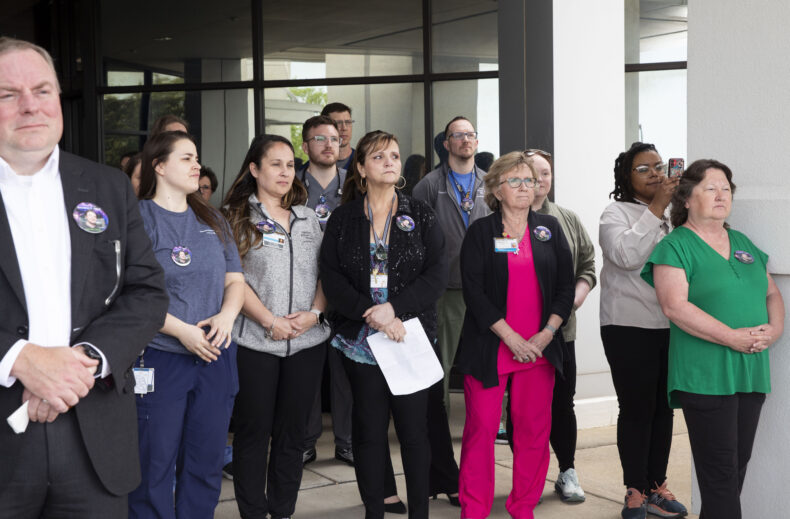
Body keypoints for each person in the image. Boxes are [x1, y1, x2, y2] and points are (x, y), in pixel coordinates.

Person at [0, 37, 168, 518]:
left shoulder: (107, 186)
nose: (30, 105)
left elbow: (146, 292)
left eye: (42, 90)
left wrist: (83, 363)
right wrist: (20, 359)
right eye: (8, 94)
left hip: (93, 439)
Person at [642, 159, 785, 519]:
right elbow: (674, 307)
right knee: (720, 471)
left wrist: (775, 329)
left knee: (734, 468)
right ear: (687, 198)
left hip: (749, 371)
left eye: (726, 189)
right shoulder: (676, 246)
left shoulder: (742, 241)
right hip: (705, 374)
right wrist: (731, 338)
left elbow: (770, 293)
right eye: (711, 188)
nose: (722, 195)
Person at [321, 130, 448, 519]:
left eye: (394, 155)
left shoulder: (420, 213)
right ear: (360, 168)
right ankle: (374, 510)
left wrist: (394, 310)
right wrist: (371, 313)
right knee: (369, 431)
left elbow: (437, 274)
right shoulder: (343, 218)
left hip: (407, 336)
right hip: (362, 341)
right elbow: (331, 277)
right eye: (379, 157)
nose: (390, 162)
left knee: (414, 433)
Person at [128, 130, 246, 519]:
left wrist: (228, 316)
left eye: (197, 158)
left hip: (215, 356)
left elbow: (235, 281)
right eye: (186, 158)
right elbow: (129, 291)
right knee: (154, 465)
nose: (197, 165)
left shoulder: (212, 218)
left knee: (205, 462)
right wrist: (182, 331)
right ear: (158, 166)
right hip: (162, 357)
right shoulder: (139, 218)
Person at [455, 150, 574, 519]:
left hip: (539, 350)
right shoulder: (481, 232)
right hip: (492, 346)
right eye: (515, 181)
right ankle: (473, 510)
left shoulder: (549, 229)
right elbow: (473, 291)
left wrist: (545, 335)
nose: (525, 187)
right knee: (481, 431)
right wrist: (511, 338)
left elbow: (566, 288)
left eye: (530, 180)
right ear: (497, 188)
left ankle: (523, 508)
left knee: (533, 434)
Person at [223, 134, 331, 519]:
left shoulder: (308, 218)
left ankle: (282, 511)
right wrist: (270, 322)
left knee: (293, 436)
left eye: (290, 165)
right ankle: (253, 513)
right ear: (254, 169)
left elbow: (327, 273)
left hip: (307, 341)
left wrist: (314, 314)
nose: (285, 172)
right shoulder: (235, 217)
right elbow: (232, 278)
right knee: (253, 435)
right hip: (255, 342)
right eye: (275, 164)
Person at [500, 149, 596, 503]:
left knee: (561, 404)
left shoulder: (565, 219)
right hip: (514, 337)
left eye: (545, 174)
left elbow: (587, 263)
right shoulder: (501, 222)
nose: (538, 181)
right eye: (530, 174)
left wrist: (576, 296)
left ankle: (567, 470)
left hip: (559, 333)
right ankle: (526, 475)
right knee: (520, 409)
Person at [599, 142, 687, 519]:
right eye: (643, 169)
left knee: (664, 409)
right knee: (636, 409)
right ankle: (635, 489)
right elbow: (625, 256)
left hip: (671, 325)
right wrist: (655, 210)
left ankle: (657, 486)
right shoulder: (614, 213)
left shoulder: (674, 217)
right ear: (626, 177)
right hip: (627, 325)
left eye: (658, 165)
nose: (655, 173)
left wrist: (671, 210)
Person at [412, 116, 490, 506]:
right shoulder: (429, 186)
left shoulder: (488, 182)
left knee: (487, 374)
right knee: (438, 381)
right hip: (444, 293)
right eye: (457, 135)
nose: (465, 140)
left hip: (483, 292)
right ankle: (440, 467)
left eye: (470, 134)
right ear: (445, 142)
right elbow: (419, 238)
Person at [296, 115, 355, 468]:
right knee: (307, 372)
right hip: (302, 289)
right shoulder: (293, 185)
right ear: (305, 146)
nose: (329, 144)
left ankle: (346, 441)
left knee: (345, 371)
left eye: (334, 138)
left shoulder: (353, 185)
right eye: (319, 138)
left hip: (345, 291)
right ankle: (305, 440)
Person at [321, 102, 355, 171]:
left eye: (348, 122)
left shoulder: (364, 161)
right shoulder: (310, 168)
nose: (344, 128)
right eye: (338, 123)